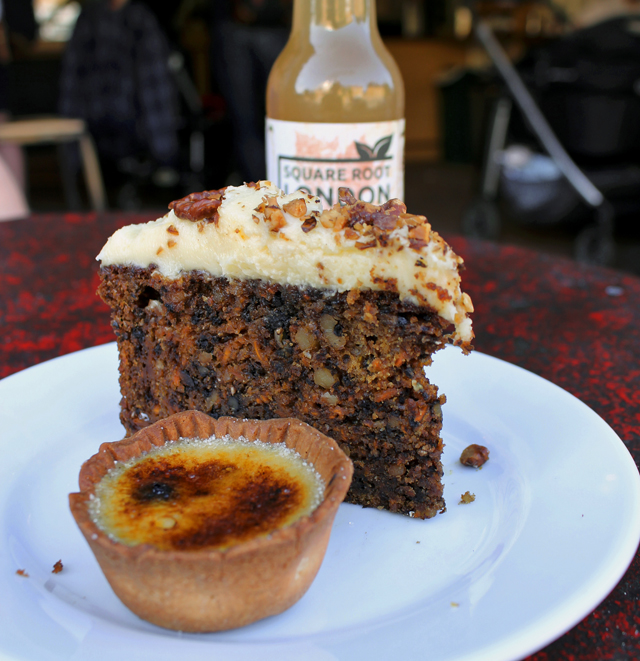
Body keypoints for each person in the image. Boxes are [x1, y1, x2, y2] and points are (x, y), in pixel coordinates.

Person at [59, 0, 181, 187]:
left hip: (132, 127)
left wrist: (163, 153)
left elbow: (154, 87)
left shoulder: (139, 20)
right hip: (96, 128)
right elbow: (71, 84)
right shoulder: (88, 20)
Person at [210, 0, 292, 183]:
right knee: (246, 120)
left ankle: (278, 188)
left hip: (273, 26)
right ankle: (262, 191)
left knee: (281, 117)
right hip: (238, 26)